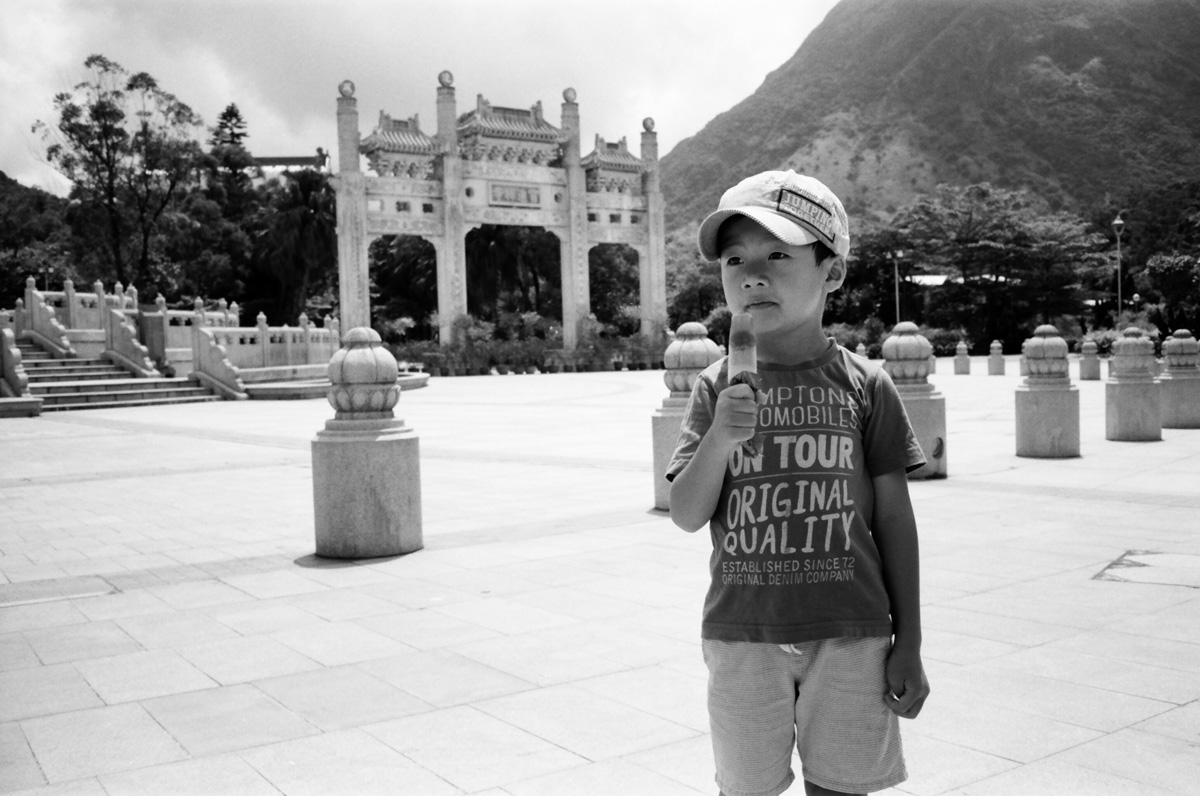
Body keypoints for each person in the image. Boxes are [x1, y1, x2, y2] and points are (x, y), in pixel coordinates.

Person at [666, 170, 930, 796]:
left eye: (778, 254)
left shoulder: (866, 385)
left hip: (853, 632)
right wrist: (721, 439)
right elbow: (685, 511)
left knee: (841, 787)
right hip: (743, 634)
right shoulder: (715, 386)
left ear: (832, 271)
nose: (751, 274)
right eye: (735, 259)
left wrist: (910, 639)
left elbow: (893, 519)